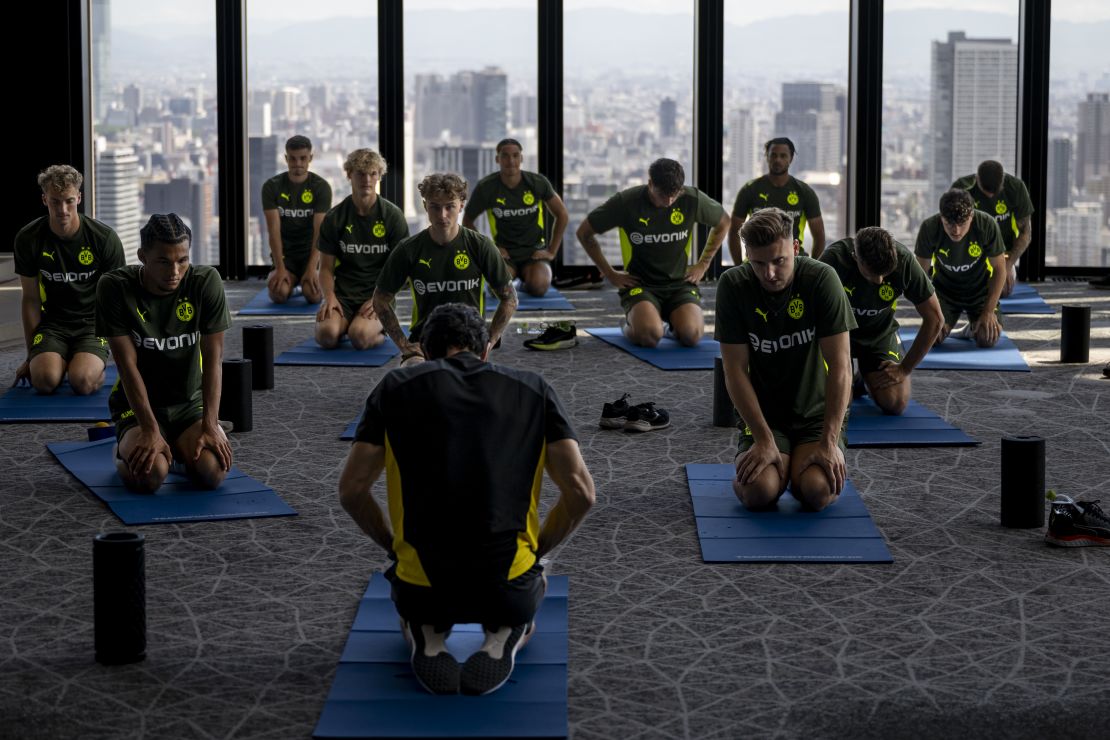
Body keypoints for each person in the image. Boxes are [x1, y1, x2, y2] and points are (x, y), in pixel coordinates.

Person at [338, 303, 595, 695]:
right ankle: (502, 636)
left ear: (425, 352)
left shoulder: (393, 388)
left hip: (423, 590)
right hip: (508, 587)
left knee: (413, 595)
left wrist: (392, 548)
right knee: (530, 580)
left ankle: (428, 635)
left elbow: (352, 491)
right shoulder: (535, 389)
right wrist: (537, 551)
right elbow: (582, 494)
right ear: (486, 350)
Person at [715, 208, 855, 512]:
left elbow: (842, 367)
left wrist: (829, 441)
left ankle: (797, 465)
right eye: (759, 263)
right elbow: (734, 371)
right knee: (758, 493)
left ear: (795, 247)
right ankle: (779, 462)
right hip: (765, 415)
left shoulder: (821, 279)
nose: (769, 274)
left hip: (817, 414)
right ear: (747, 256)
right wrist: (763, 439)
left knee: (817, 491)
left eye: (779, 261)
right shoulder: (733, 286)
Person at [95, 214, 232, 494]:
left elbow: (214, 360)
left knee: (212, 474)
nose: (175, 271)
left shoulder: (205, 282)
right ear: (142, 256)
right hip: (136, 407)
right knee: (149, 476)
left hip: (187, 404)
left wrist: (210, 424)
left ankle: (177, 455)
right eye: (164, 261)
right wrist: (149, 429)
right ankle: (121, 451)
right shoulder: (114, 287)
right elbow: (126, 365)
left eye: (182, 260)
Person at [575, 158, 729, 347]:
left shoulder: (691, 199)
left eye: (674, 195)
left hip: (679, 284)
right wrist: (610, 274)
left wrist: (703, 264)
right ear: (650, 184)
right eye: (662, 195)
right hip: (641, 284)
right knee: (649, 336)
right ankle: (630, 323)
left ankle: (669, 324)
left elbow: (724, 222)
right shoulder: (626, 202)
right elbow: (584, 233)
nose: (669, 202)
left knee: (692, 335)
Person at [372, 173, 517, 365]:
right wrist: (403, 344)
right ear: (425, 206)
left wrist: (490, 340)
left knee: (468, 386)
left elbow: (510, 298)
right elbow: (380, 300)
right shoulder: (408, 249)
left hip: (468, 339)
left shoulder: (480, 246)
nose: (442, 215)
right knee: (414, 372)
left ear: (461, 205)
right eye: (435, 206)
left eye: (450, 206)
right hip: (425, 338)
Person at [13, 165, 124, 394]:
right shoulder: (28, 238)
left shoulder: (104, 238)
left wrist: (124, 356)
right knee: (43, 381)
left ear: (79, 198)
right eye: (55, 201)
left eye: (69, 201)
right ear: (44, 199)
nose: (62, 209)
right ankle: (57, 361)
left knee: (82, 382)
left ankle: (82, 363)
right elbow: (31, 299)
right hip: (53, 324)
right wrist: (31, 354)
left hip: (93, 325)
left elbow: (117, 300)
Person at [819, 227, 944, 415]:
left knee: (895, 402)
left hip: (878, 334)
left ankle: (863, 376)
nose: (879, 281)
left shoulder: (904, 261)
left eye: (885, 273)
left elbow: (935, 319)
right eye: (872, 273)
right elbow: (809, 314)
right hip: (839, 335)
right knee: (840, 403)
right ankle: (852, 379)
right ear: (855, 257)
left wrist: (904, 368)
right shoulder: (833, 261)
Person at [315, 149, 409, 350]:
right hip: (343, 295)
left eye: (373, 174)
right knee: (326, 336)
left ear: (379, 176)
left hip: (378, 295)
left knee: (359, 337)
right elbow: (325, 269)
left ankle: (379, 329)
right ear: (349, 174)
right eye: (360, 173)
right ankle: (346, 324)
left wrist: (381, 298)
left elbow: (401, 270)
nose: (367, 179)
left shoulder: (392, 216)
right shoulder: (335, 217)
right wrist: (329, 297)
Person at [462, 138, 570, 297]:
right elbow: (467, 221)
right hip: (505, 253)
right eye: (505, 156)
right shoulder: (487, 187)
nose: (510, 161)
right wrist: (490, 249)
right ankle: (511, 282)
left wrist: (552, 251)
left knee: (539, 287)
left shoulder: (537, 182)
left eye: (515, 155)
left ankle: (521, 285)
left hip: (534, 252)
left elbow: (562, 214)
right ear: (497, 159)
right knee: (498, 290)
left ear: (521, 158)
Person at [914, 189, 1007, 348]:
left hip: (979, 292)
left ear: (971, 216)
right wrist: (931, 314)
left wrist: (988, 312)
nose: (956, 231)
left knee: (987, 338)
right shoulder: (929, 228)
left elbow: (999, 270)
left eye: (962, 224)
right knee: (933, 338)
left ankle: (971, 328)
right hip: (944, 292)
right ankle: (956, 326)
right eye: (949, 224)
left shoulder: (986, 224)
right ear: (941, 217)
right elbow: (920, 276)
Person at [728, 137, 825, 262]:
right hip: (757, 260)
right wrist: (738, 266)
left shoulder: (804, 191)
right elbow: (734, 232)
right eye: (773, 155)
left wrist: (813, 267)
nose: (777, 160)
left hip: (794, 259)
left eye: (783, 156)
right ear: (767, 157)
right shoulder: (750, 190)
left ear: (791, 158)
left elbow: (819, 235)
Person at [261, 134, 333, 304]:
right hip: (286, 256)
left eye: (303, 158)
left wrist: (311, 268)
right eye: (293, 159)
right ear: (286, 159)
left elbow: (320, 232)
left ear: (310, 158)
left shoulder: (321, 187)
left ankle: (304, 283)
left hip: (312, 253)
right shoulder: (272, 187)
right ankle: (293, 283)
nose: (298, 164)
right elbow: (273, 231)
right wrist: (280, 268)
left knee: (313, 295)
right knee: (278, 294)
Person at [951, 160, 1033, 298]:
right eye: (985, 191)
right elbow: (952, 231)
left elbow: (1026, 233)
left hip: (1002, 254)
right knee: (962, 292)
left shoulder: (1016, 188)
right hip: (970, 252)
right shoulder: (961, 189)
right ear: (977, 179)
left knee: (1001, 290)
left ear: (1003, 180)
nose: (990, 196)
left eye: (995, 192)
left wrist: (1009, 263)